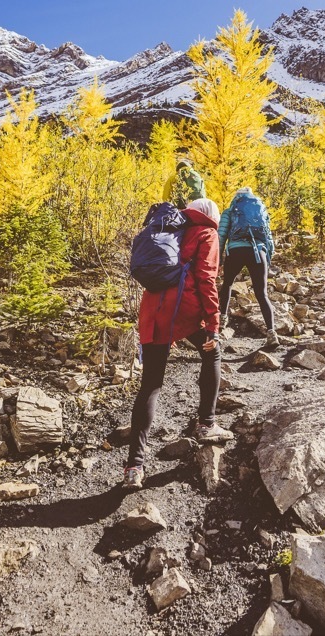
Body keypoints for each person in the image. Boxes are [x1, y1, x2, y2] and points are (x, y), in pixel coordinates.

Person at [123, 197, 232, 490]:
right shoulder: (206, 233)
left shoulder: (173, 228)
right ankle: (207, 424)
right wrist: (213, 325)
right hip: (183, 307)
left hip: (152, 310)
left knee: (151, 384)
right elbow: (207, 279)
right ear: (212, 216)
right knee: (213, 352)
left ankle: (134, 467)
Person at [217, 187, 278, 349]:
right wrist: (267, 258)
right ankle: (272, 332)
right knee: (261, 293)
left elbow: (221, 235)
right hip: (258, 252)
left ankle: (222, 319)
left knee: (228, 283)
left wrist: (218, 260)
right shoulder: (260, 209)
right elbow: (269, 238)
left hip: (236, 250)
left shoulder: (230, 211)